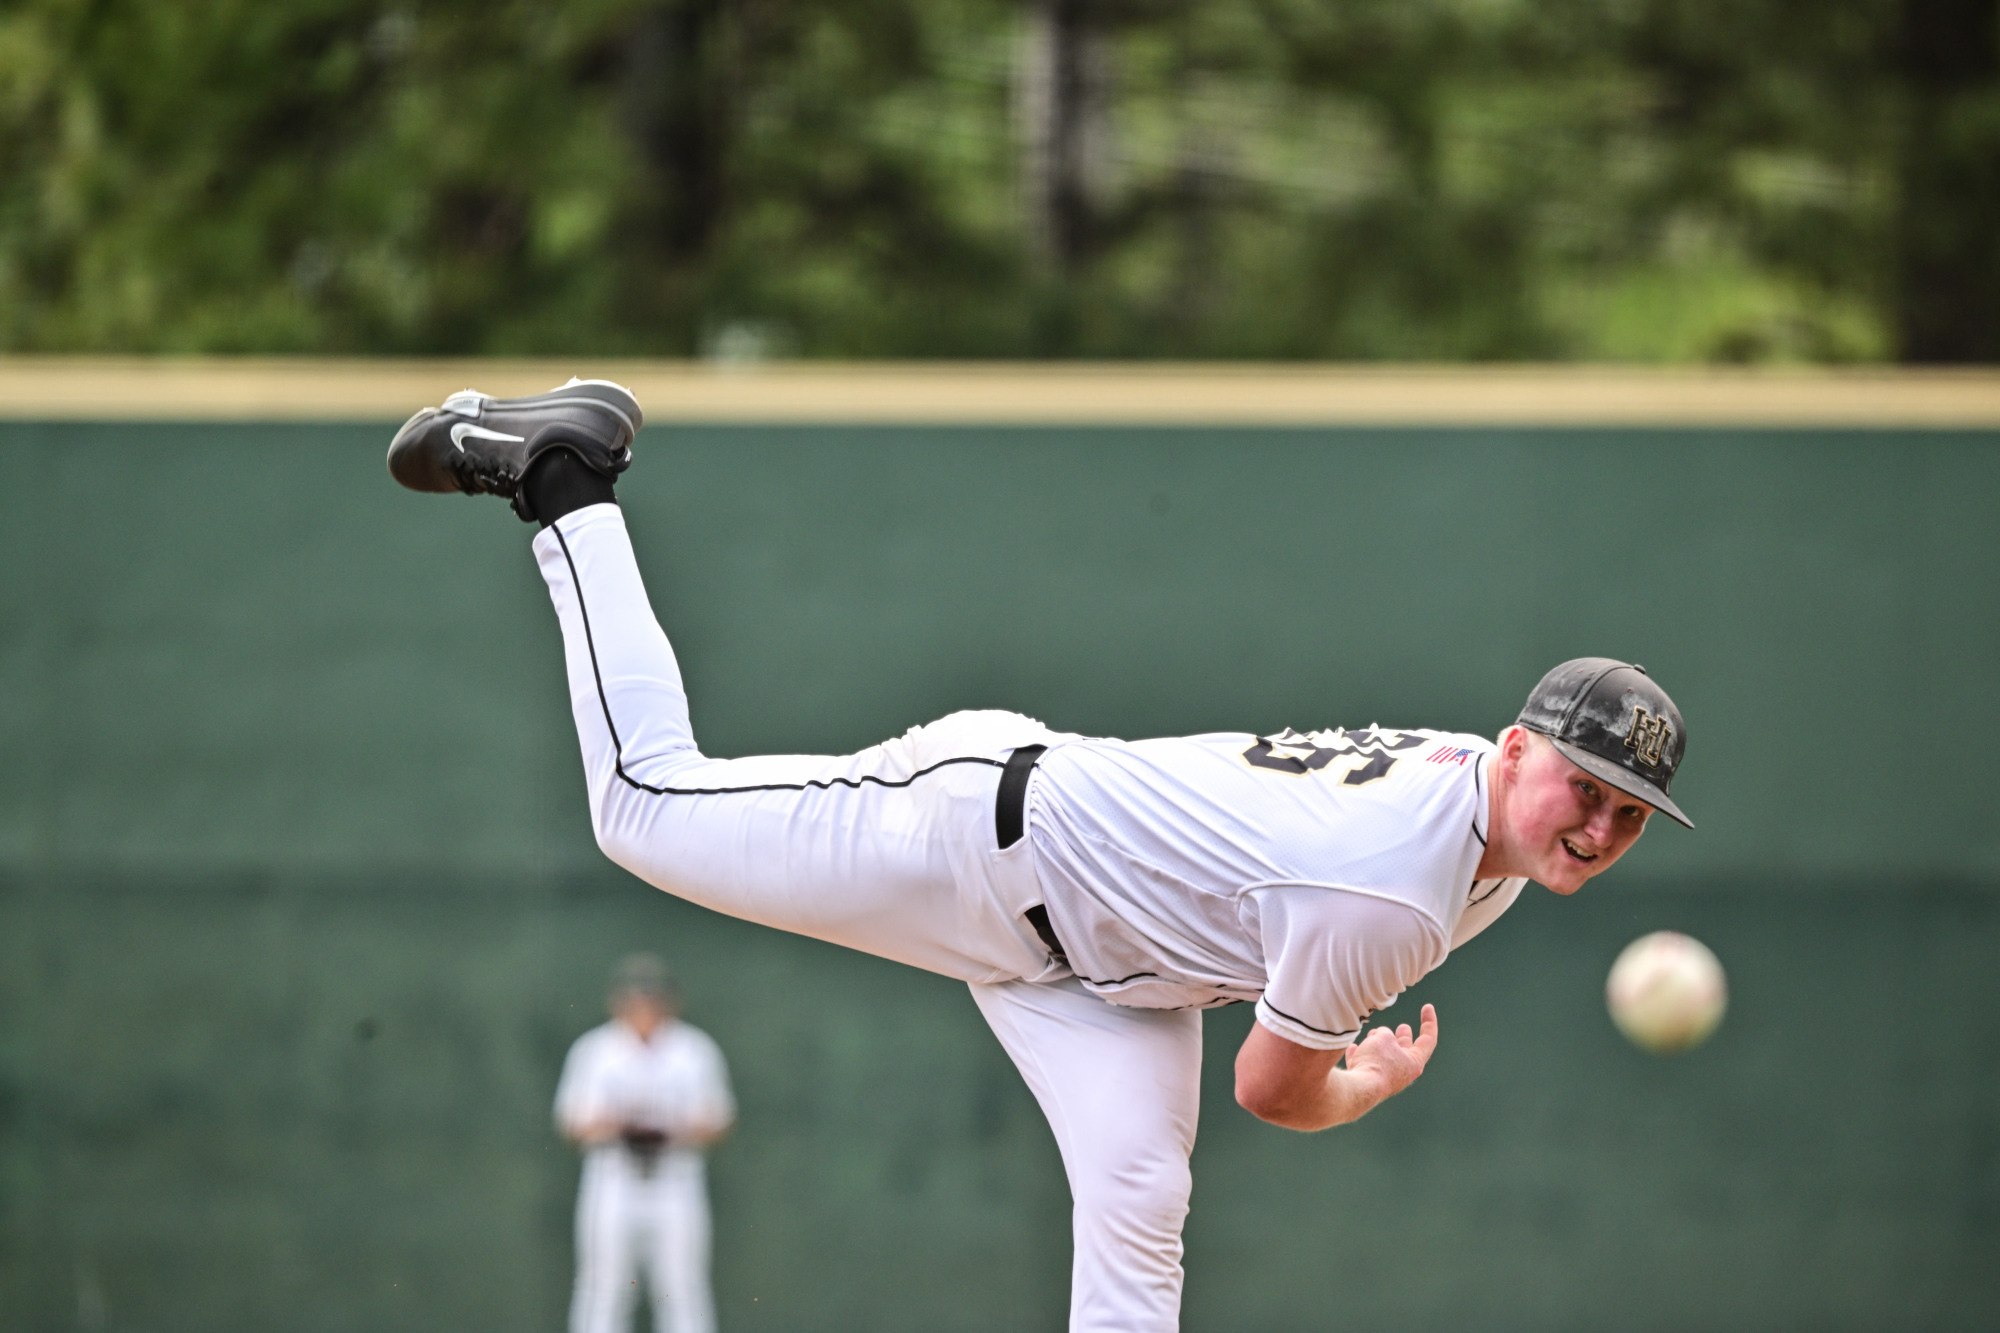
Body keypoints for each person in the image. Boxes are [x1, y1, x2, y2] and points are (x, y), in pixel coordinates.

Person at [389, 380, 1692, 1333]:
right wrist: (1359, 1084)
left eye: (1630, 813)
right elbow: (1272, 1089)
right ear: (1519, 748)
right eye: (1590, 785)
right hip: (974, 839)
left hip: (1109, 970)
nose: (1599, 824)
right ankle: (564, 476)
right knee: (641, 805)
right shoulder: (1391, 892)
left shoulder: (1474, 792)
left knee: (1139, 1217)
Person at [555, 952, 735, 1333]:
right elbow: (572, 1122)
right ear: (618, 1001)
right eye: (635, 997)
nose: (644, 1006)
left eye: (652, 997)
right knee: (602, 1288)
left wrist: (671, 1129)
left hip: (675, 1178)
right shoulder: (596, 1050)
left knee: (682, 1289)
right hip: (613, 1178)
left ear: (670, 1001)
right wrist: (621, 1126)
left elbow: (718, 1120)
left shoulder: (693, 1050)